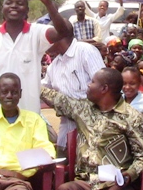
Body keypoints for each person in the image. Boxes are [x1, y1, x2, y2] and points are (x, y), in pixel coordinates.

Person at [0, 0, 69, 114]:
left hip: (29, 111)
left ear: (27, 10)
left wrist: (47, 3)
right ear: (2, 8)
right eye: (9, 3)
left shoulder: (37, 33)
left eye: (19, 3)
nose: (13, 6)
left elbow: (63, 32)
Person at [42, 20, 105, 154]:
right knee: (62, 162)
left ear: (57, 37)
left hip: (92, 125)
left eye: (47, 37)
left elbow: (104, 87)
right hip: (67, 127)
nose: (44, 41)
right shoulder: (54, 65)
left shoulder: (85, 51)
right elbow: (42, 90)